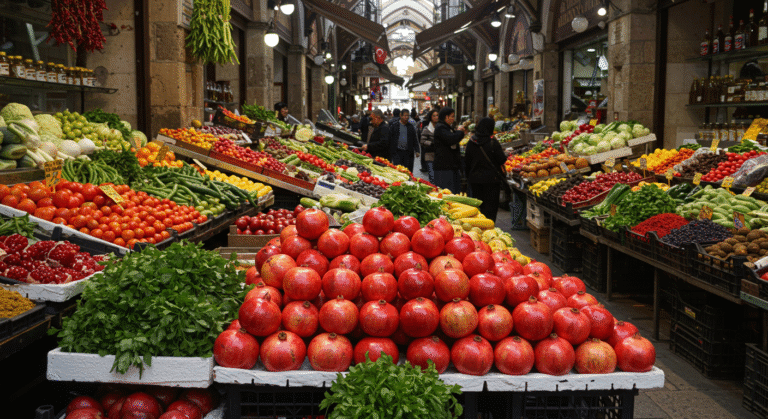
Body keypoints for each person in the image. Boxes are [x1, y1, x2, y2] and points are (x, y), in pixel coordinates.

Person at [464, 117, 508, 222]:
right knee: (491, 208)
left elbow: (467, 162)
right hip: (492, 181)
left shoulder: (471, 142)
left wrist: (469, 177)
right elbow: (502, 159)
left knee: (478, 206)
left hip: (475, 180)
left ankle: (478, 226)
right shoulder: (493, 142)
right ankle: (489, 227)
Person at [433, 107, 465, 193]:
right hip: (444, 167)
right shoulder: (441, 128)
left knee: (453, 191)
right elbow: (452, 139)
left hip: (450, 166)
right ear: (446, 117)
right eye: (452, 116)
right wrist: (460, 132)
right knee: (447, 192)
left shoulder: (446, 127)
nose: (453, 119)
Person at [420, 109, 439, 184]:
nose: (436, 117)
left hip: (439, 156)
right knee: (432, 176)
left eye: (437, 115)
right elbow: (422, 141)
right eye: (434, 116)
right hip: (429, 155)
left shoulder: (441, 128)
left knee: (438, 176)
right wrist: (431, 143)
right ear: (431, 117)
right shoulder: (426, 129)